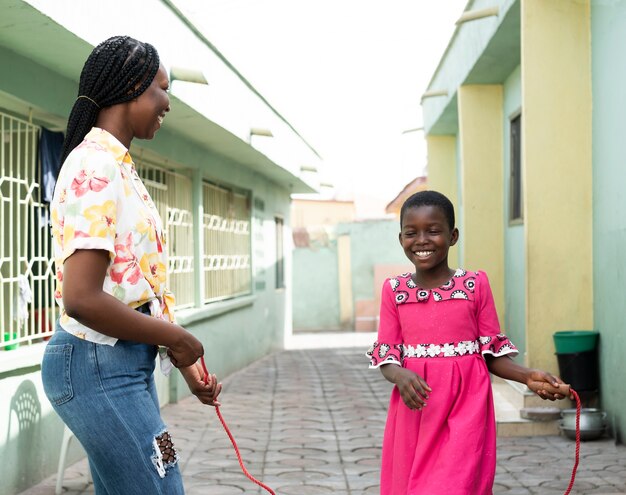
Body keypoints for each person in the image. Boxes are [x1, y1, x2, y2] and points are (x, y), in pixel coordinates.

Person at [41, 36, 221, 495]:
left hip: (124, 366)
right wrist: (177, 338)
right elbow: (82, 298)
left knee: (154, 479)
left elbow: (140, 287)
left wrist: (187, 366)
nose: (168, 103)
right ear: (133, 87)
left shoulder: (119, 168)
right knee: (163, 484)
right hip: (95, 363)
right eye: (162, 88)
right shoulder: (94, 166)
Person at [366, 190, 569, 495]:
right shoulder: (393, 290)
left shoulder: (475, 285)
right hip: (416, 409)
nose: (421, 240)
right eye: (411, 233)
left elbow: (492, 356)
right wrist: (400, 374)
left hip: (466, 410)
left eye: (433, 231)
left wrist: (528, 377)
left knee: (456, 485)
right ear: (401, 239)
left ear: (453, 236)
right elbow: (388, 356)